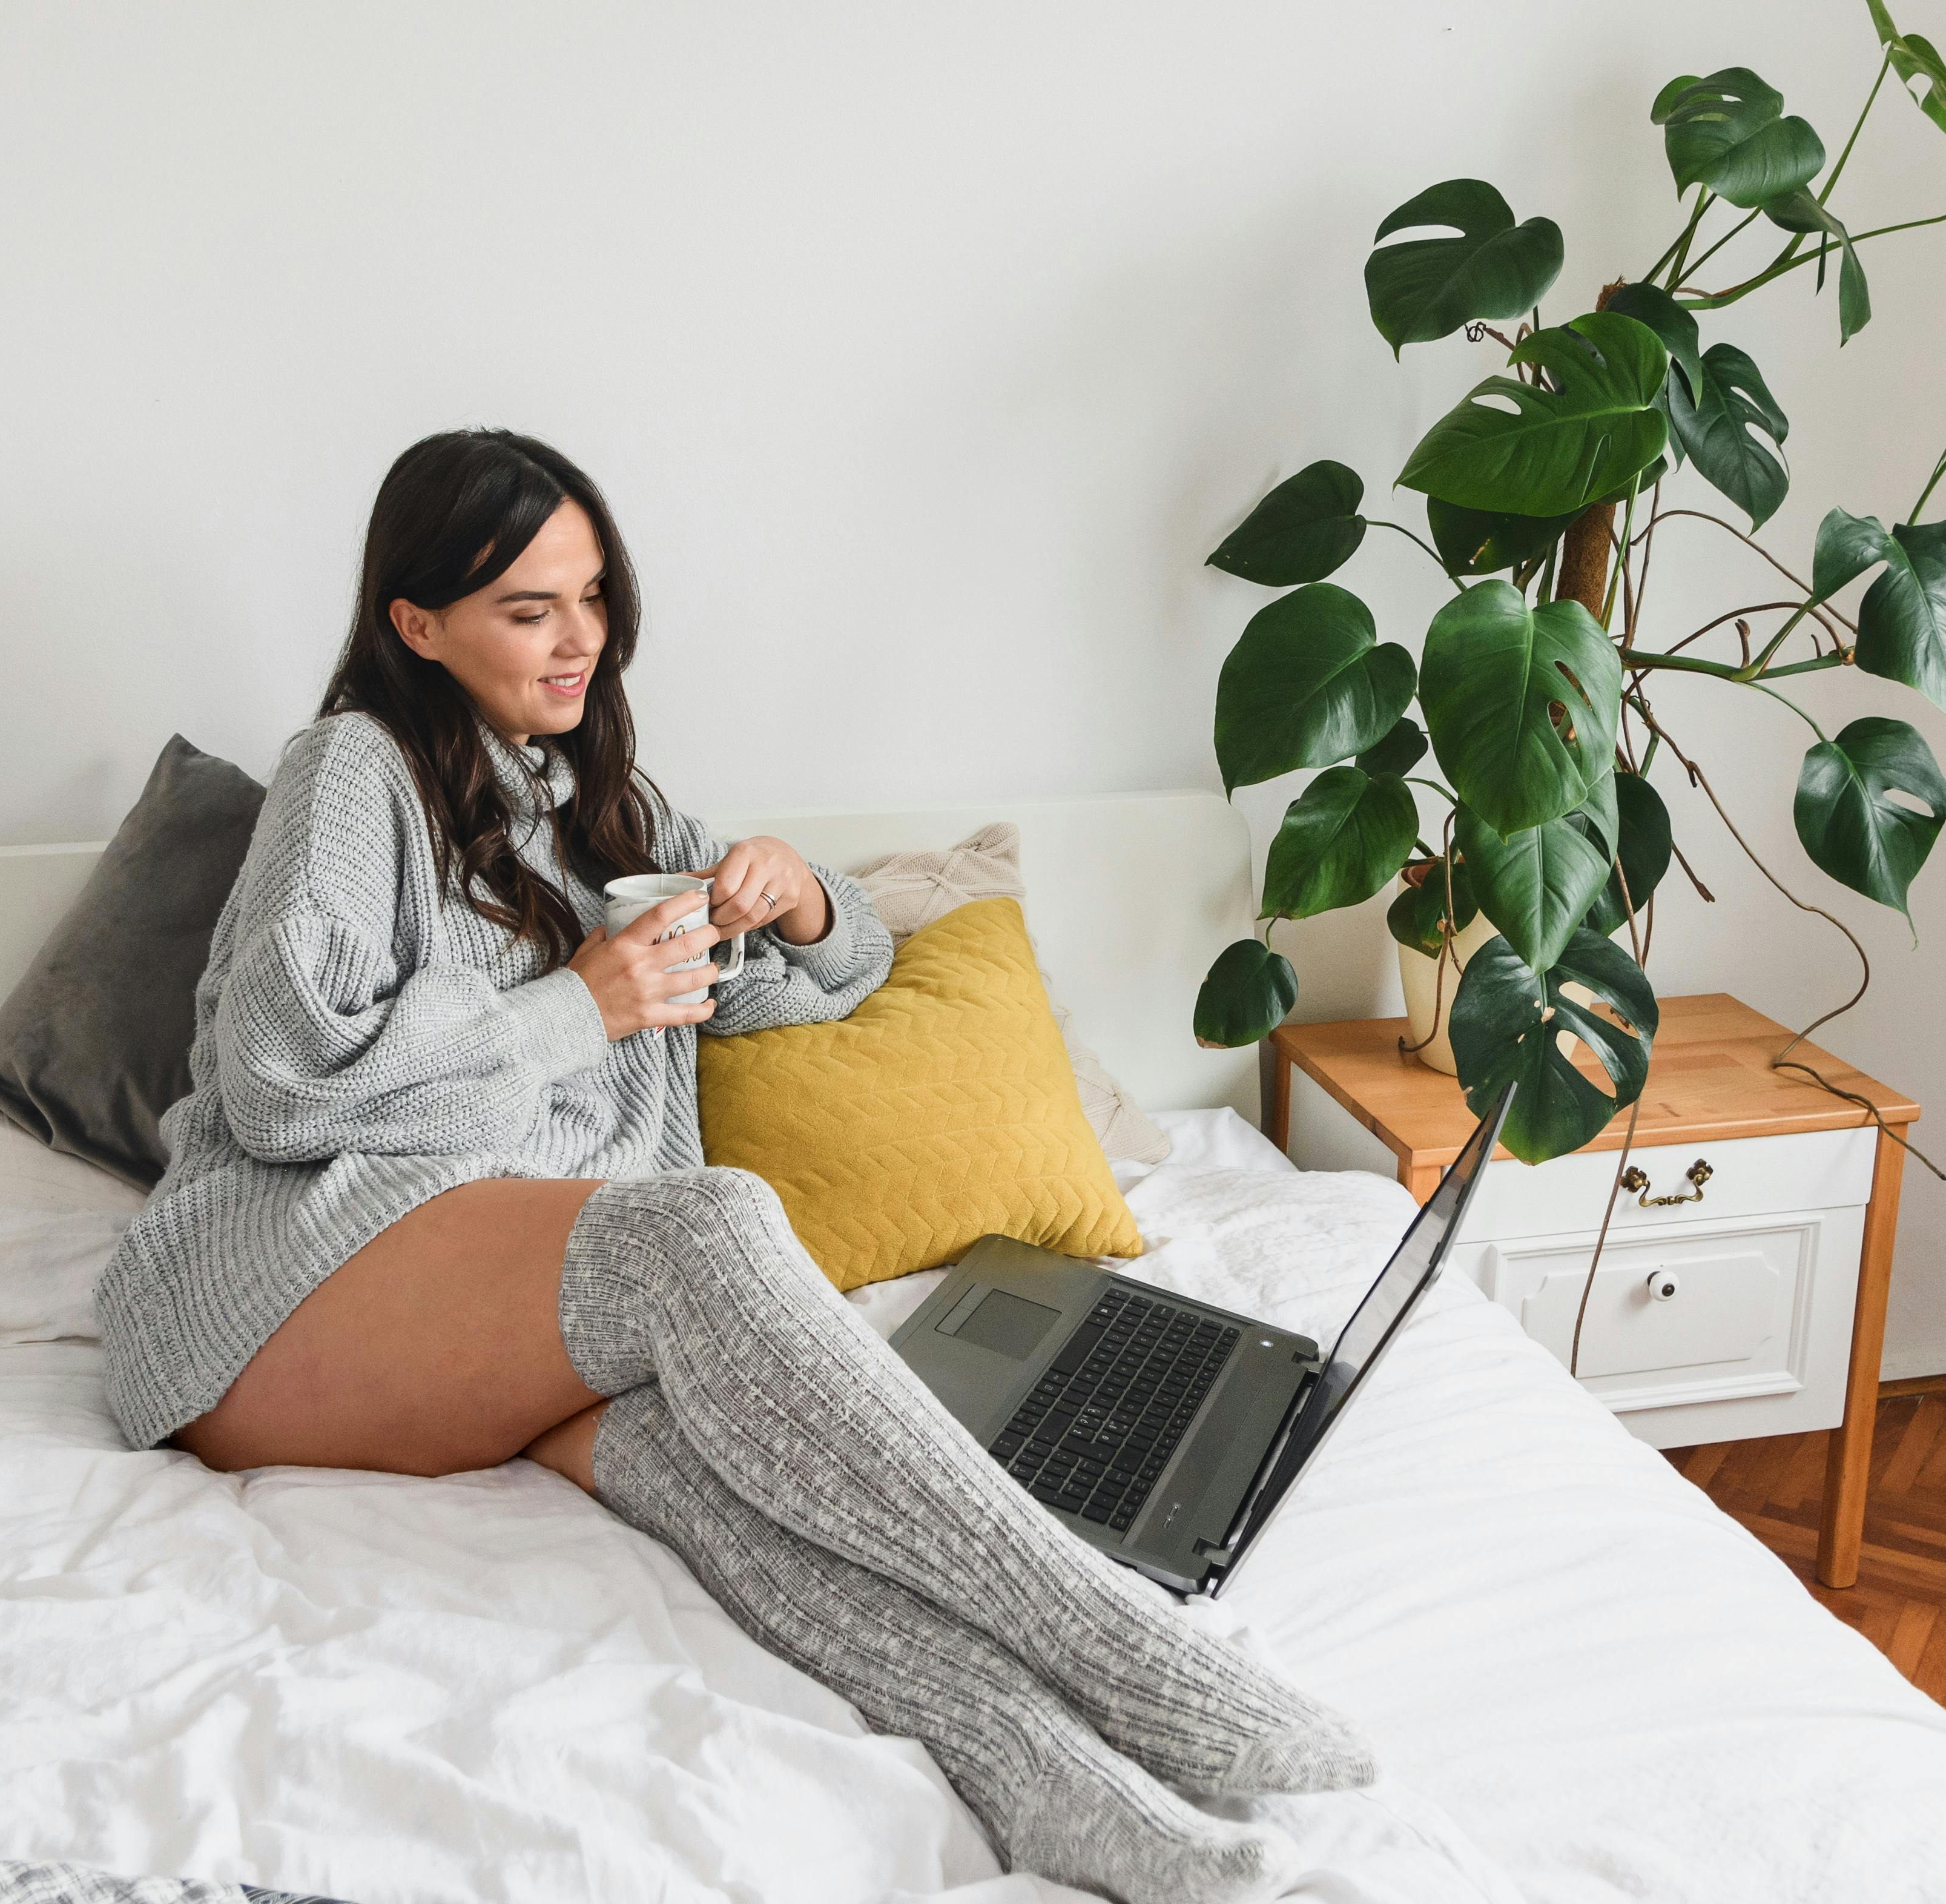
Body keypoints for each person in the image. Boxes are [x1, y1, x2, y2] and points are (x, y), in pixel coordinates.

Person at [97, 429, 1371, 1903]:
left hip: (493, 1311)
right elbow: (275, 1080)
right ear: (416, 623)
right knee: (700, 1231)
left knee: (733, 1483)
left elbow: (803, 994)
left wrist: (812, 902)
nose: (578, 641)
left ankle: (1070, 1795)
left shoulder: (604, 802)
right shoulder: (350, 772)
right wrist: (583, 1003)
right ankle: (1122, 1643)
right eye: (529, 610)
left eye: (592, 599)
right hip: (277, 1285)